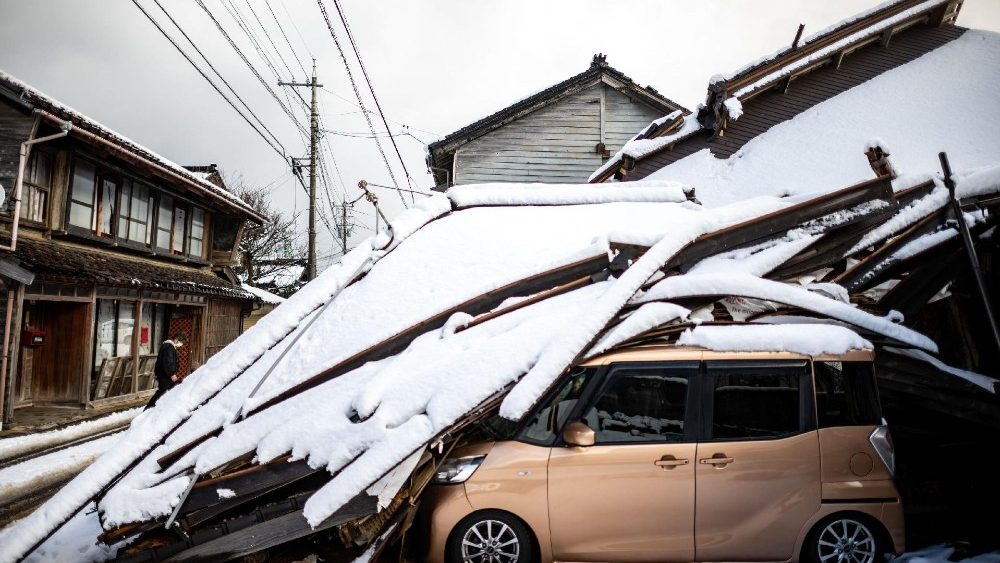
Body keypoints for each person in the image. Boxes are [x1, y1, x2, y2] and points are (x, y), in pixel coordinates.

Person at [144, 332, 187, 410]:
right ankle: (148, 408)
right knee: (162, 391)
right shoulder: (169, 347)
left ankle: (168, 408)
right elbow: (168, 361)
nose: (181, 344)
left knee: (173, 389)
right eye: (181, 342)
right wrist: (172, 374)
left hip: (165, 374)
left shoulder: (168, 346)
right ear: (177, 339)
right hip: (165, 375)